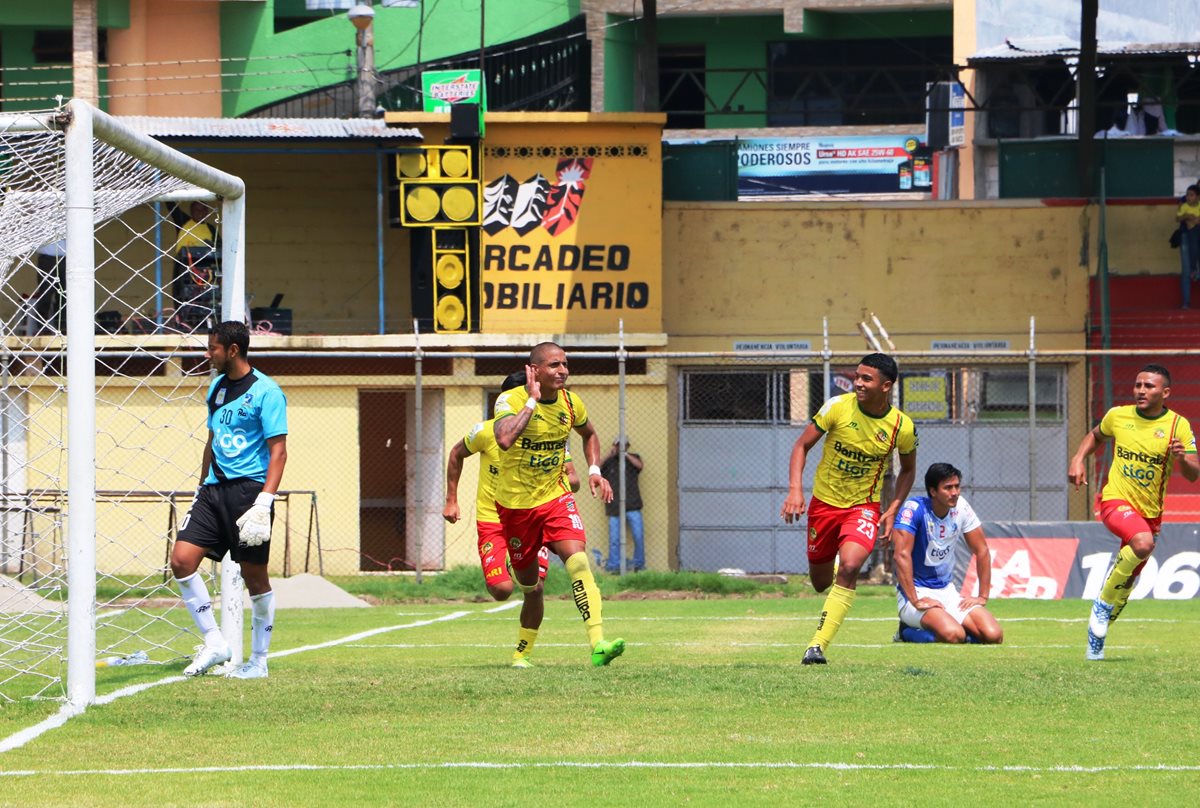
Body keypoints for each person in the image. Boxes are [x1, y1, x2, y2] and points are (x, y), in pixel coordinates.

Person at [493, 342, 625, 667]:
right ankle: (522, 652)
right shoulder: (510, 400)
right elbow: (505, 439)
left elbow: (589, 434)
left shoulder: (571, 402)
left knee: (578, 562)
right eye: (554, 365)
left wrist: (594, 471)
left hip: (555, 498)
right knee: (531, 587)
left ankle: (598, 644)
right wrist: (532, 401)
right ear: (534, 370)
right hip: (516, 507)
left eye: (565, 364)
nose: (563, 370)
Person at [781, 352, 918, 665]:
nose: (858, 383)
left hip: (863, 507)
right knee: (820, 583)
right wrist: (795, 490)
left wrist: (893, 508)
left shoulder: (901, 426)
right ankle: (832, 563)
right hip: (823, 505)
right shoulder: (837, 407)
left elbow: (909, 470)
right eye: (857, 376)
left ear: (886, 386)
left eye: (866, 378)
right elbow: (801, 445)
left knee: (851, 566)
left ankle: (816, 646)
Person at [170, 320, 288, 679]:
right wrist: (199, 488)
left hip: (249, 494)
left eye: (213, 348)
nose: (208, 354)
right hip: (212, 492)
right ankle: (215, 642)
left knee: (255, 578)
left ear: (232, 350)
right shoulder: (217, 387)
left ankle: (259, 661)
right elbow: (211, 441)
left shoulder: (267, 392)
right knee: (181, 561)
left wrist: (265, 501)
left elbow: (279, 452)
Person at [443, 372, 580, 667]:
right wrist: (451, 499)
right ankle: (506, 563)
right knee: (501, 591)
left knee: (535, 589)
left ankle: (522, 653)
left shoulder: (548, 434)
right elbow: (456, 453)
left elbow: (573, 478)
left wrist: (560, 478)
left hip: (532, 518)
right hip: (493, 520)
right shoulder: (486, 432)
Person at [1068, 364, 1198, 661]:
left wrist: (1182, 459)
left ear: (1165, 392)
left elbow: (1193, 474)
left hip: (1150, 513)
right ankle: (1101, 603)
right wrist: (1078, 459)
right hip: (1115, 500)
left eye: (1149, 386)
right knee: (1142, 543)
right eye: (1138, 384)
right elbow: (1096, 435)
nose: (1141, 390)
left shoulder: (1178, 426)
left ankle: (1095, 644)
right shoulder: (1118, 415)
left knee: (1127, 584)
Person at [891, 463, 1003, 645]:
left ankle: (953, 629)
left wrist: (982, 596)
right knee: (953, 635)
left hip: (947, 592)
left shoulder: (962, 507)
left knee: (993, 636)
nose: (955, 492)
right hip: (916, 593)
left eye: (957, 486)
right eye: (948, 488)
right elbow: (901, 555)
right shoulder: (914, 508)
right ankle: (905, 631)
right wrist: (915, 600)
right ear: (933, 491)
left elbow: (981, 550)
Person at [600, 438, 645, 573]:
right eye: (618, 445)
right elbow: (597, 468)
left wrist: (625, 454)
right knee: (614, 538)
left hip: (633, 504)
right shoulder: (609, 461)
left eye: (624, 445)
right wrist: (609, 454)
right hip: (614, 505)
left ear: (628, 446)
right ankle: (614, 566)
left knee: (638, 535)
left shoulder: (633, 458)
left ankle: (639, 564)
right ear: (614, 445)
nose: (621, 447)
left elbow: (640, 466)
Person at [1177, 185, 1200, 309]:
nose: (1189, 197)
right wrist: (1187, 217)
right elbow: (1178, 216)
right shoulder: (1184, 200)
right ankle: (1186, 301)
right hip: (1186, 235)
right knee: (1186, 270)